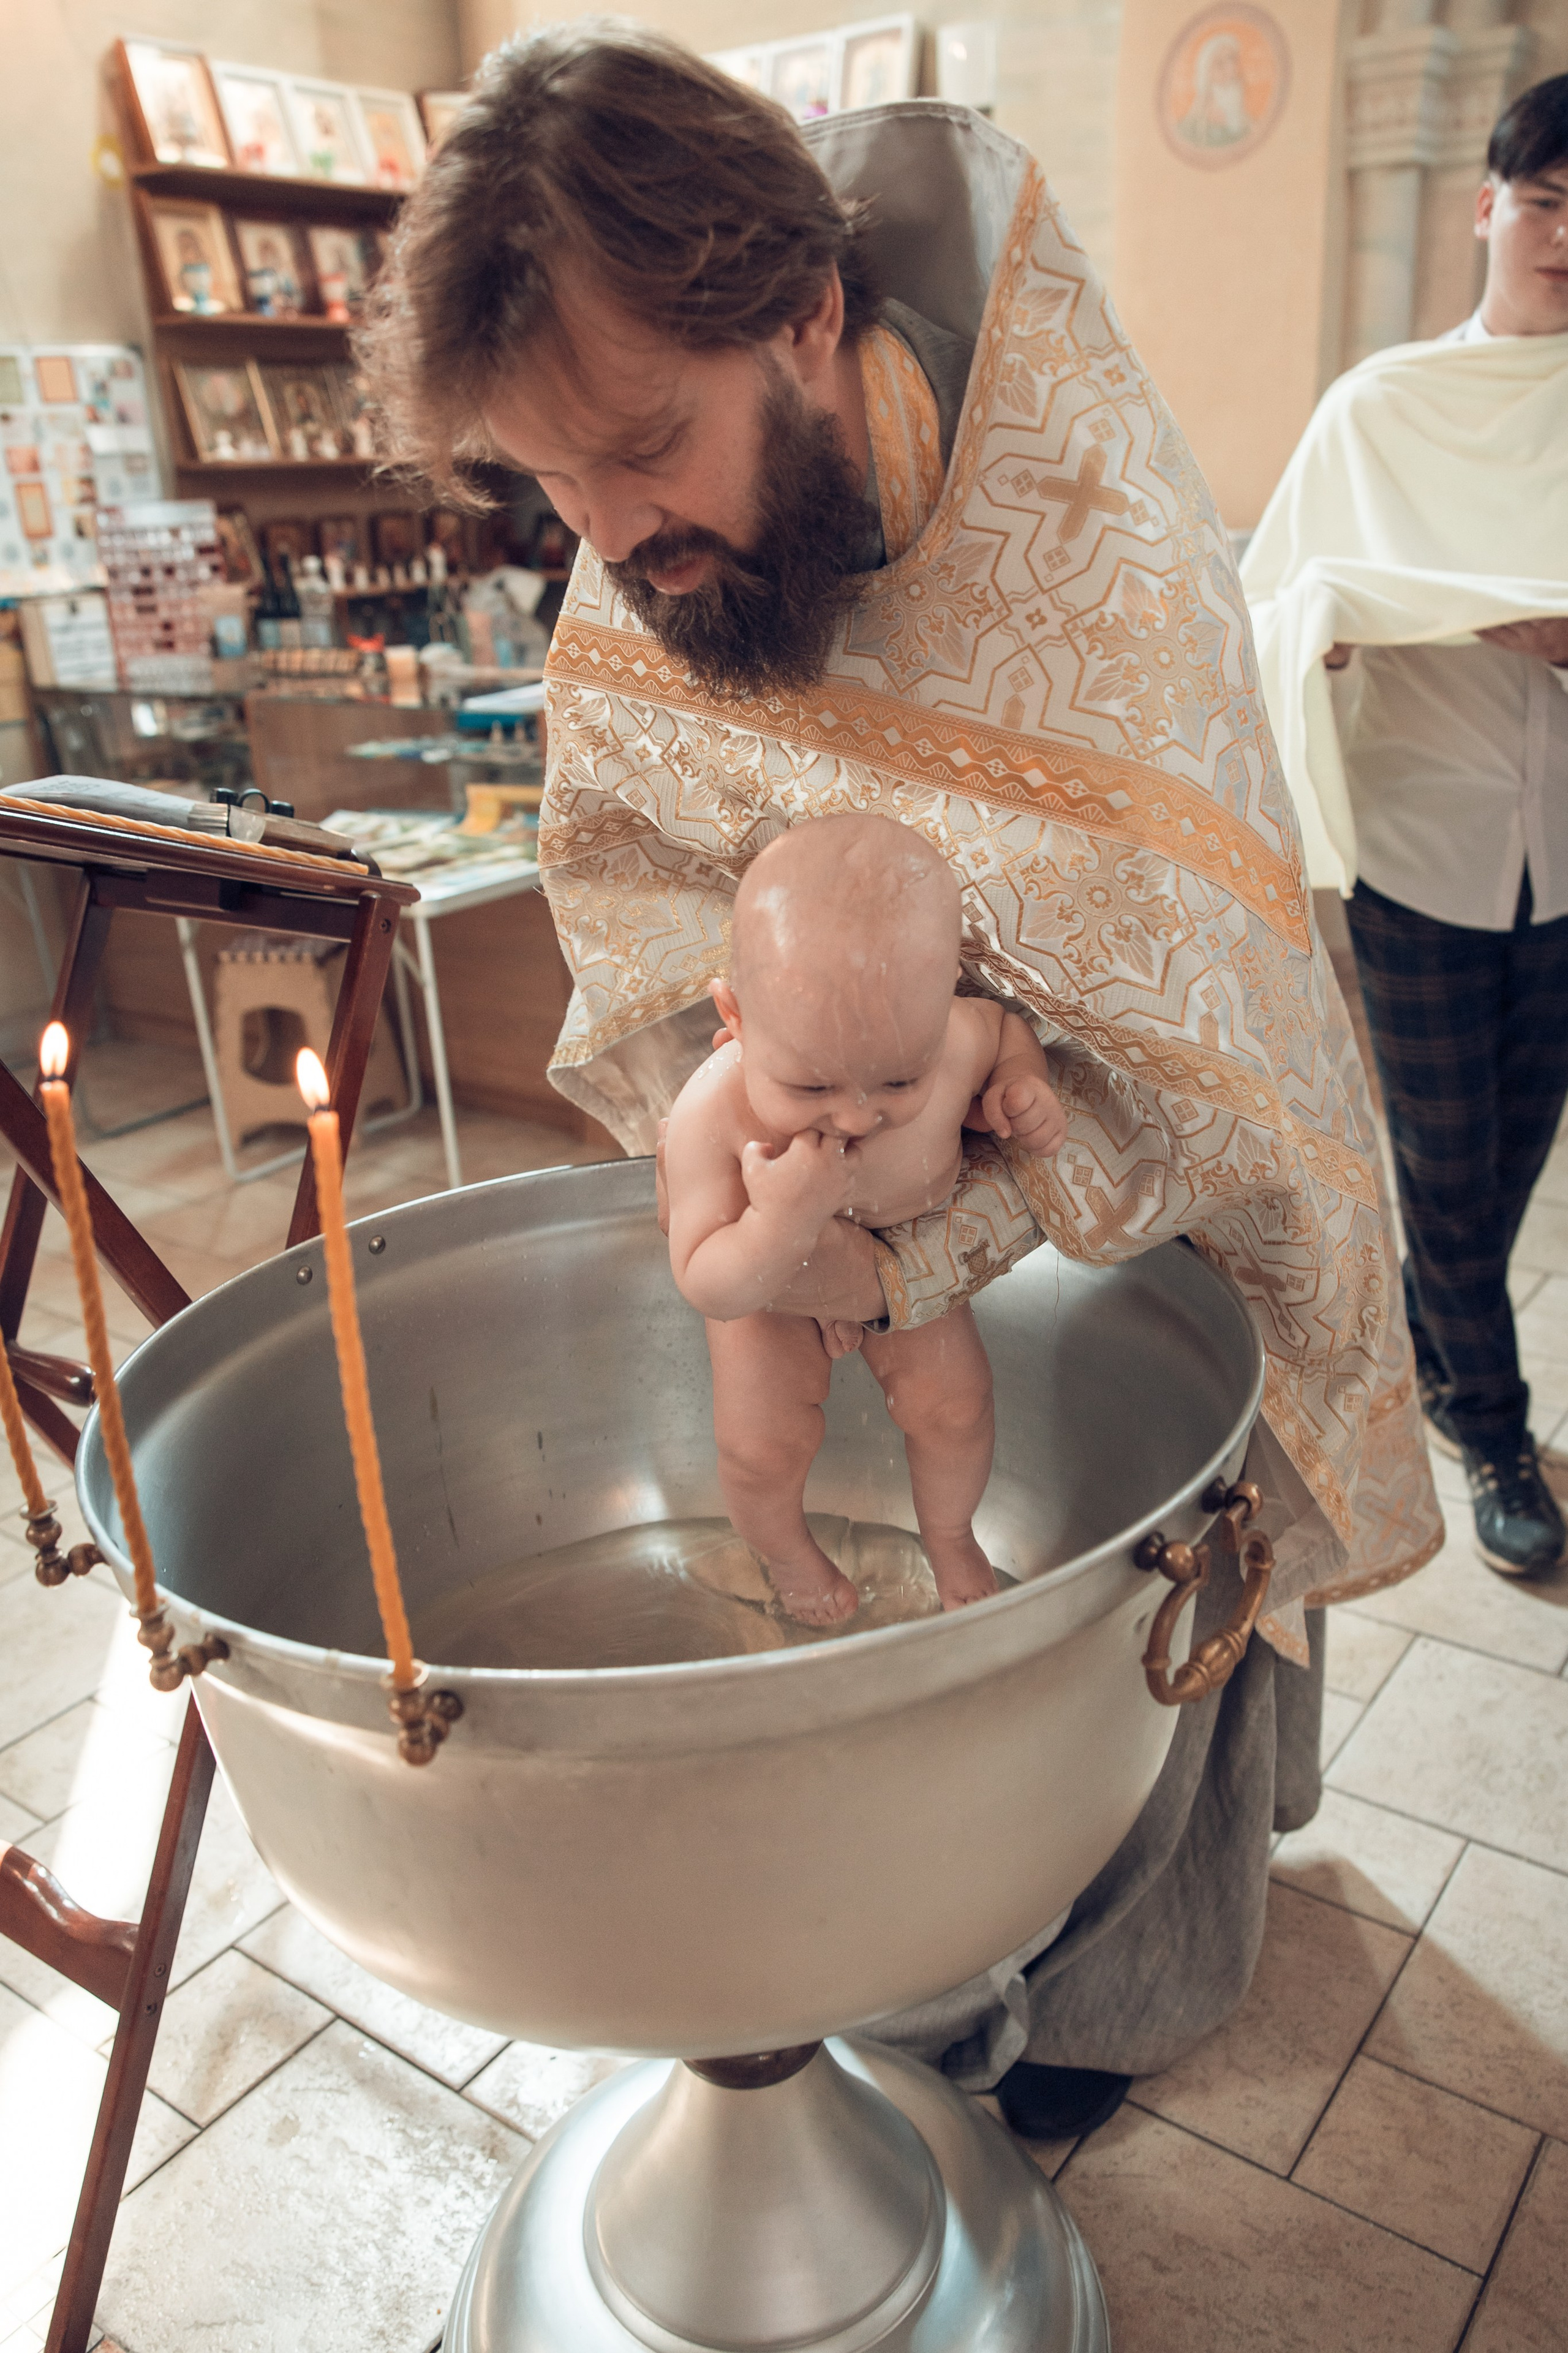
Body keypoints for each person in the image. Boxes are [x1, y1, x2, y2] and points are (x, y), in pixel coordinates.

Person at [361, 24, 1441, 2140]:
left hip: (1112, 1189)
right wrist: (811, 1124)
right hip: (844, 1152)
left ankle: (1119, 1994)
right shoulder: (631, 516)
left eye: (644, 453)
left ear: (806, 313)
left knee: (1163, 1565)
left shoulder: (1077, 519)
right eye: (554, 485)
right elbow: (628, 861)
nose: (612, 539)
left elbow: (1181, 965)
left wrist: (982, 1124)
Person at [1244, 74, 1568, 1579]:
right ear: (1485, 207)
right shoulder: (1381, 412)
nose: (1562, 239)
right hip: (1419, 852)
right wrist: (1325, 634)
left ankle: (1439, 1350)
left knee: (1509, 1148)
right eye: (1547, 203)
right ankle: (1489, 1431)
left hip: (1559, 854)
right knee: (1441, 1155)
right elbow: (1263, 601)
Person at [663, 813, 1066, 1622]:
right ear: (735, 1018)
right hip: (767, 1281)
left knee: (955, 1406)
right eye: (811, 1088)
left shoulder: (949, 1039)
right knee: (759, 1444)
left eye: (896, 1084)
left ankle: (950, 1532)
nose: (854, 1116)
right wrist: (782, 1222)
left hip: (904, 1252)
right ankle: (785, 1552)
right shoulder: (712, 1112)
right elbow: (705, 1279)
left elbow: (1004, 1033)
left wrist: (1023, 1084)